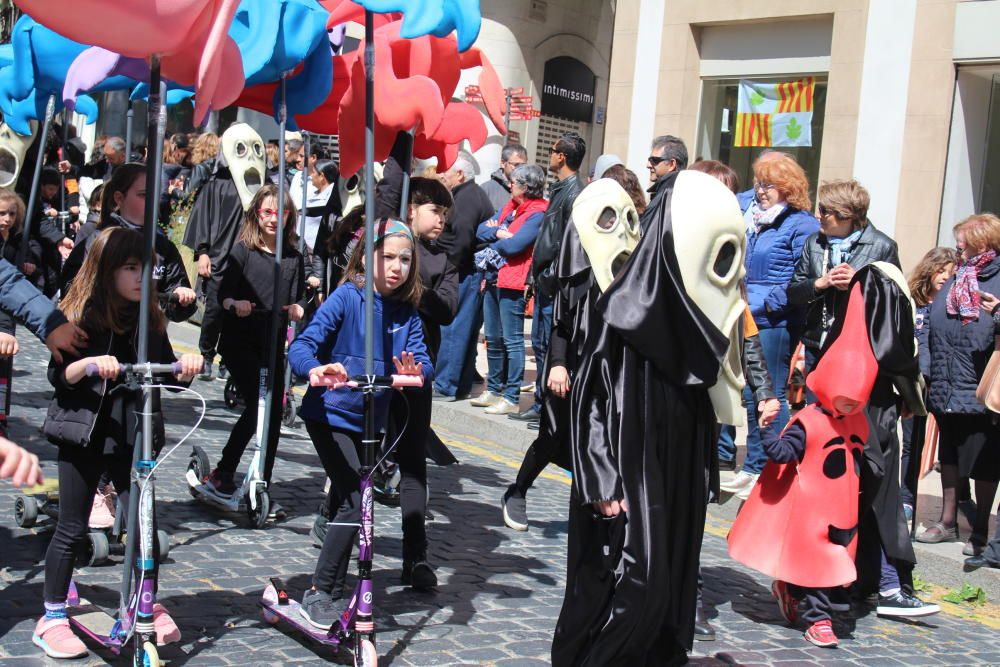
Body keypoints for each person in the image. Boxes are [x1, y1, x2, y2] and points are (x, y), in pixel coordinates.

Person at [551, 170, 741, 666]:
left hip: (676, 468)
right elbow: (591, 397)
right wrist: (601, 478)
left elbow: (703, 399)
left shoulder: (688, 321)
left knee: (673, 582)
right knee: (634, 586)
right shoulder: (624, 310)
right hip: (630, 468)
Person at [33, 228, 202, 660]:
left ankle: (142, 604)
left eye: (145, 268)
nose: (141, 276)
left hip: (134, 431)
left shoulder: (149, 318)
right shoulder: (80, 313)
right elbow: (60, 377)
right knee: (72, 526)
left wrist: (185, 369)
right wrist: (90, 364)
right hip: (86, 429)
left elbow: (167, 374)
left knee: (144, 527)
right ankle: (51, 615)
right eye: (130, 268)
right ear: (107, 271)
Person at [288, 218, 432, 629]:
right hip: (330, 413)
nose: (396, 266)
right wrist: (315, 370)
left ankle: (331, 590)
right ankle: (320, 590)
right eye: (387, 257)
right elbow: (303, 344)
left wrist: (415, 371)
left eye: (405, 259)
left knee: (344, 501)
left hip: (371, 420)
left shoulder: (407, 312)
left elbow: (424, 364)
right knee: (355, 498)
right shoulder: (347, 298)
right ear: (367, 258)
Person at [720, 154, 818, 500]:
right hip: (747, 312)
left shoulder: (800, 224)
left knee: (771, 394)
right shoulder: (756, 216)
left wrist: (765, 304)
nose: (760, 191)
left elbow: (799, 277)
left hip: (775, 320)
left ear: (788, 188)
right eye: (759, 183)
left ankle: (767, 467)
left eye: (768, 185)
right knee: (751, 394)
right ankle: (755, 465)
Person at [204, 184, 306, 501]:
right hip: (240, 341)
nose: (274, 218)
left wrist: (298, 308)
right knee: (258, 406)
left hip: (271, 342)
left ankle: (262, 480)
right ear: (257, 215)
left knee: (273, 412)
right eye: (268, 212)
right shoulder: (242, 252)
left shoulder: (292, 258)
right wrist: (236, 303)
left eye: (282, 212)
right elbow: (221, 295)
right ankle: (223, 471)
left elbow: (298, 297)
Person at [920, 214, 1000, 562]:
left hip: (980, 384)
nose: (958, 247)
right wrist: (927, 366)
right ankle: (948, 520)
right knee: (949, 454)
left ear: (983, 241)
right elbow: (930, 323)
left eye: (963, 240)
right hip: (946, 380)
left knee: (983, 459)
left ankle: (981, 529)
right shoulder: (958, 276)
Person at [60, 163, 198, 323]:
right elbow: (70, 288)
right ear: (119, 198)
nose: (152, 202)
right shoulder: (99, 240)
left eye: (155, 195)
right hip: (102, 334)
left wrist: (181, 297)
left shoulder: (162, 246)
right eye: (144, 195)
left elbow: (175, 303)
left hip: (146, 339)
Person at [520, 132, 586, 424]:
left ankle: (546, 405)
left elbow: (568, 244)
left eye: (552, 150)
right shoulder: (560, 189)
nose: (549, 154)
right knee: (540, 344)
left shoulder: (575, 192)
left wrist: (548, 275)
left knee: (550, 344)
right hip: (545, 281)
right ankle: (540, 401)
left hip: (555, 283)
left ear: (562, 157)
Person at [471, 164, 547, 415]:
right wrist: (500, 232)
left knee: (512, 341)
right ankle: (493, 389)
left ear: (525, 187)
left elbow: (517, 245)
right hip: (493, 277)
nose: (510, 185)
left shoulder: (537, 212)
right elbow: (481, 230)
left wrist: (499, 237)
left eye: (514, 182)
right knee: (492, 338)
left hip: (513, 281)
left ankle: (511, 395)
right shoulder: (510, 207)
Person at [431, 152, 495, 401]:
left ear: (459, 174)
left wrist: (446, 272)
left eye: (445, 170)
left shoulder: (467, 198)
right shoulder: (465, 195)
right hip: (467, 272)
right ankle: (460, 384)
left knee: (455, 330)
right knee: (463, 331)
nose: (441, 174)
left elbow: (462, 239)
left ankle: (447, 384)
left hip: (465, 273)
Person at [900, 247, 957, 522]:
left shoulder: (953, 305)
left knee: (951, 444)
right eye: (941, 270)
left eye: (951, 272)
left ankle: (960, 500)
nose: (945, 277)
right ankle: (906, 498)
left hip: (945, 381)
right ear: (930, 269)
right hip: (916, 381)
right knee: (912, 442)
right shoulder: (913, 301)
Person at [0, 189, 40, 431]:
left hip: (8, 310)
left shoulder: (17, 239)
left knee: (5, 363)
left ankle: (2, 412)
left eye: (11, 214)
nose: (7, 219)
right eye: (2, 213)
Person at [641, 134, 686, 233]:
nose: (648, 165)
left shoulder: (667, 195)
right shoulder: (678, 191)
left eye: (654, 161)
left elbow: (645, 238)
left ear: (671, 164)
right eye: (649, 160)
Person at [480, 143, 527, 213]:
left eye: (523, 165)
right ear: (503, 163)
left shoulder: (529, 190)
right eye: (516, 165)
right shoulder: (486, 190)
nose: (520, 169)